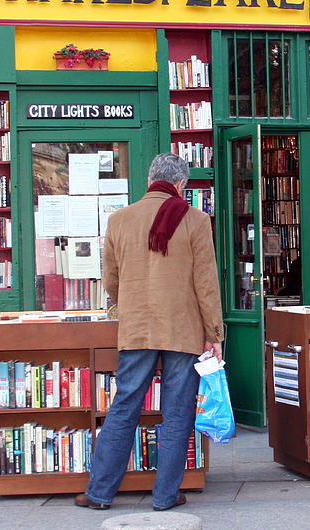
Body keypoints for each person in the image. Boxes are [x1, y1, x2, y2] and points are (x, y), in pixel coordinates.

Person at [76, 153, 223, 512]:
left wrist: (123, 305)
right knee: (177, 413)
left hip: (137, 326)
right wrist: (214, 334)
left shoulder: (120, 219)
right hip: (182, 329)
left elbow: (111, 278)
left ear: (149, 180)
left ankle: (99, 493)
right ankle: (165, 496)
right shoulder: (196, 219)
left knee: (124, 407)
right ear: (181, 185)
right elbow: (206, 283)